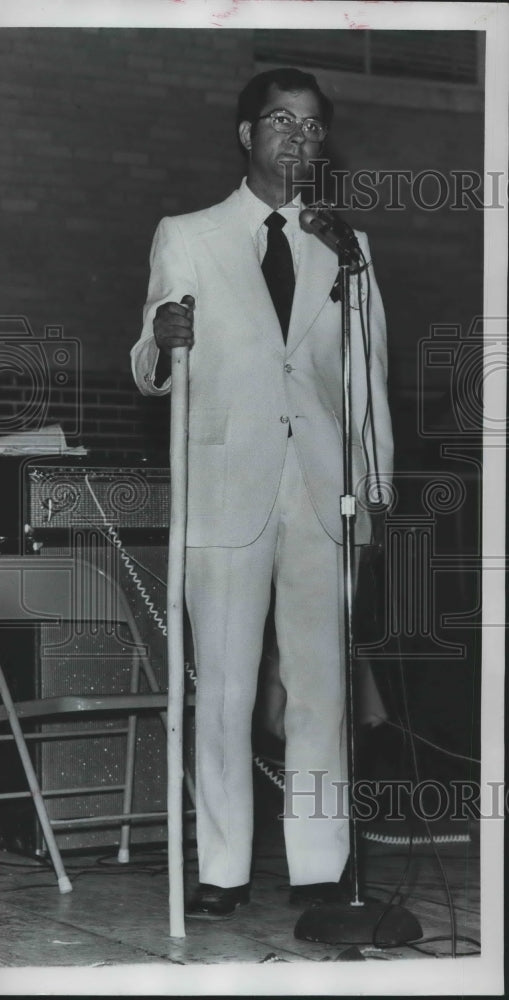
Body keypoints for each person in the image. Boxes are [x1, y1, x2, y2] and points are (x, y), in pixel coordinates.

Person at [131, 67, 393, 919]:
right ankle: (222, 870)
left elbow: (366, 381)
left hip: (323, 495)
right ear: (246, 136)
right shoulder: (190, 233)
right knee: (228, 691)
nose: (297, 138)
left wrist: (374, 488)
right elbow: (148, 362)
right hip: (223, 493)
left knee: (320, 687)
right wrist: (162, 346)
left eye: (312, 127)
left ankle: (321, 866)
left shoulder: (346, 248)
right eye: (279, 122)